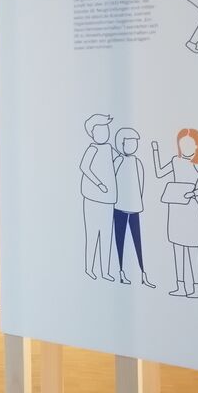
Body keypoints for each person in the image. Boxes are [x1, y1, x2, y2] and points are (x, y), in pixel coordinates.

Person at [152, 129, 198, 299]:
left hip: (189, 209)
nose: (185, 148)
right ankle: (180, 286)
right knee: (177, 246)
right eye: (182, 144)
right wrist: (155, 152)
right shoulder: (176, 160)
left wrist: (194, 193)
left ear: (197, 146)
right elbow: (159, 173)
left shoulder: (196, 164)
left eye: (188, 144)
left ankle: (197, 288)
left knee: (192, 247)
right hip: (175, 207)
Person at [112, 128, 155, 288]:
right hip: (119, 207)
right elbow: (113, 181)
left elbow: (141, 184)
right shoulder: (118, 161)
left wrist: (137, 201)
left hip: (135, 207)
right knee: (120, 241)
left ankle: (142, 274)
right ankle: (121, 272)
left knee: (138, 241)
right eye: (129, 142)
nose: (133, 145)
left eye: (135, 142)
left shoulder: (137, 162)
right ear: (122, 143)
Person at [79, 114, 118, 282]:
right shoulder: (93, 149)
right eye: (100, 130)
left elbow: (117, 161)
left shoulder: (109, 148)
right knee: (92, 234)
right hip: (93, 198)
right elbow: (84, 167)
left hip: (109, 200)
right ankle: (89, 268)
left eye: (106, 129)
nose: (104, 133)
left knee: (107, 235)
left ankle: (105, 271)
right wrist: (99, 183)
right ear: (92, 133)